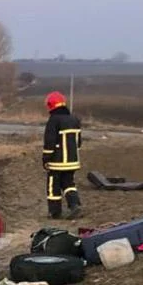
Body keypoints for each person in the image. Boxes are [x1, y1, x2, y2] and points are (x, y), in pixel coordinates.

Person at [42, 91, 82, 219]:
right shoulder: (74, 119)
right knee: (69, 183)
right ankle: (74, 205)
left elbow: (49, 142)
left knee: (53, 185)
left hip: (57, 162)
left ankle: (55, 212)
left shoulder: (53, 120)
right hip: (73, 161)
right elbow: (79, 142)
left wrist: (45, 159)